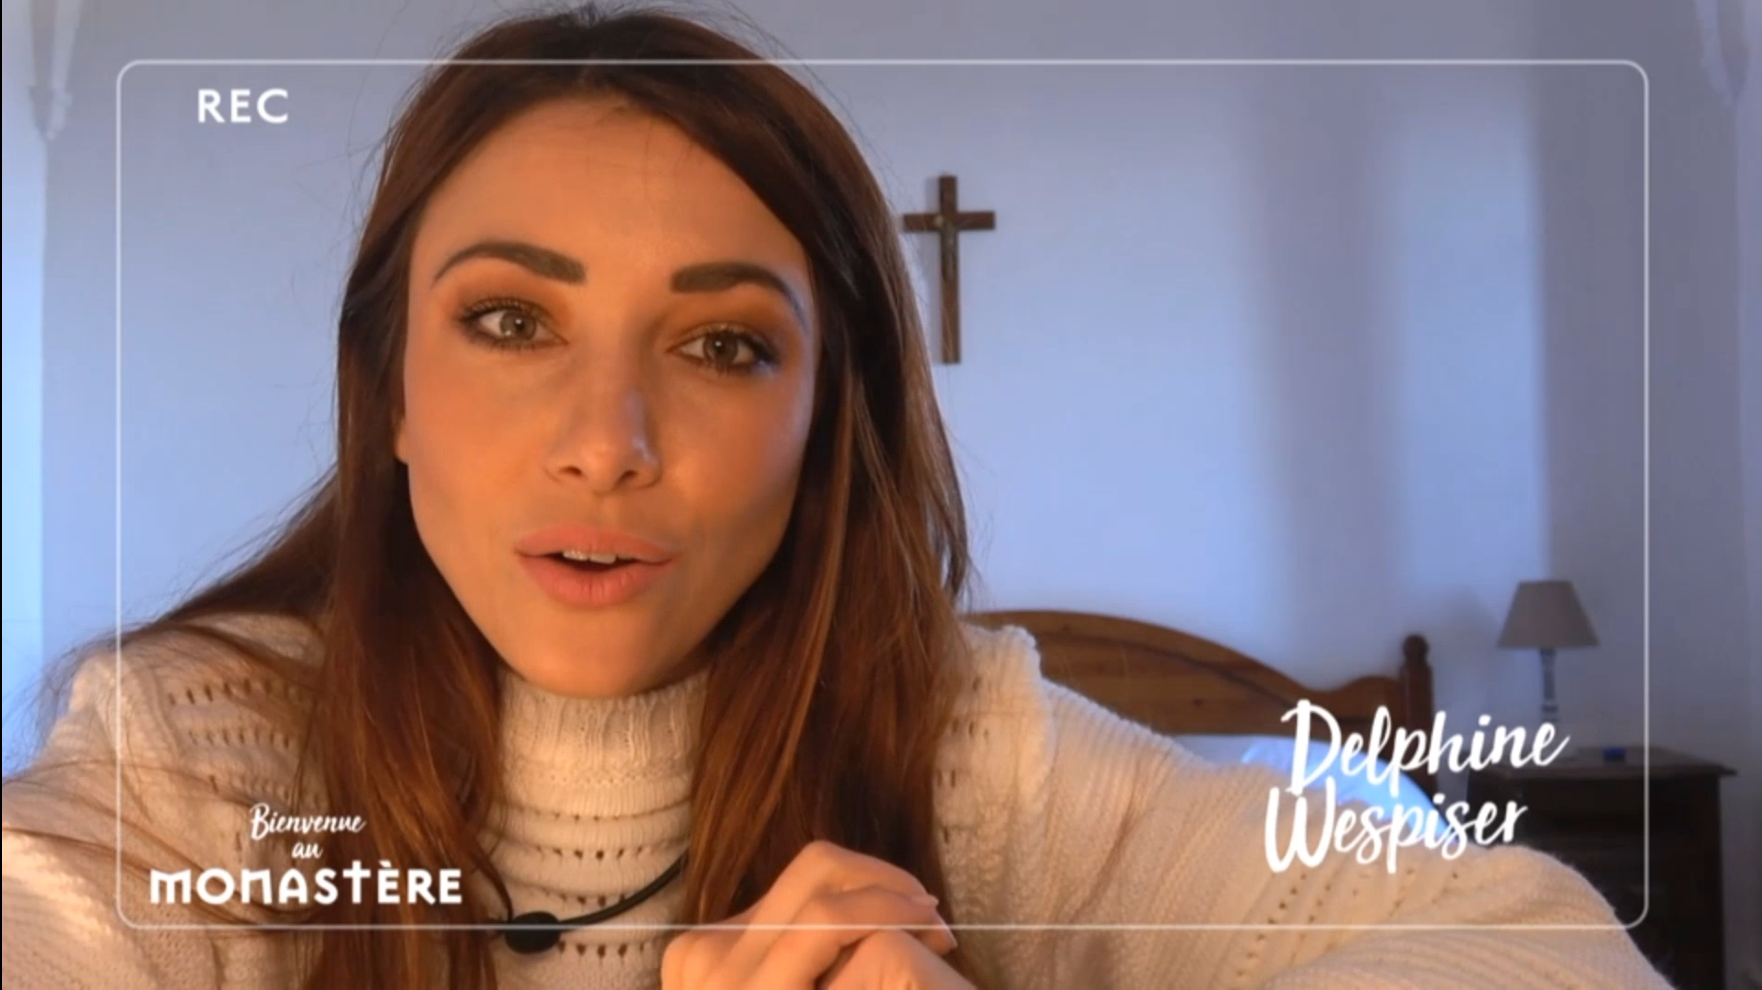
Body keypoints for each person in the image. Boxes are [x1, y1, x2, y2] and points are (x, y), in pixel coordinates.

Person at [2, 4, 1668, 989]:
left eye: (722, 345)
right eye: (510, 322)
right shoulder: (193, 766)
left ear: (820, 424)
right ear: (387, 399)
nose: (607, 441)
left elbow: (1548, 946)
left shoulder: (973, 755)